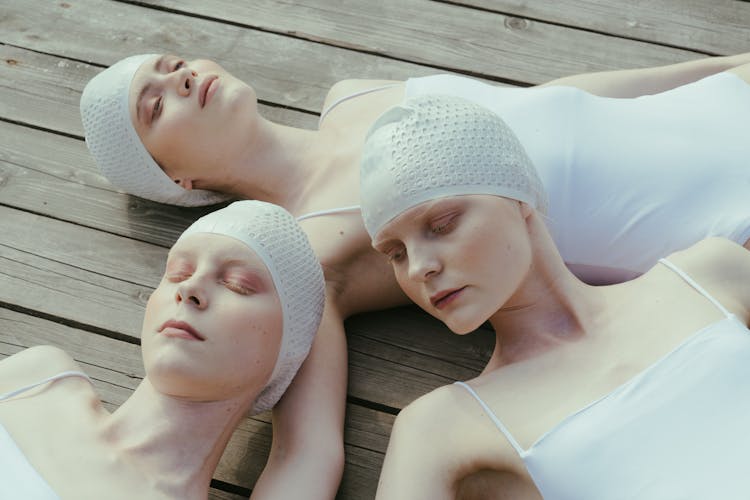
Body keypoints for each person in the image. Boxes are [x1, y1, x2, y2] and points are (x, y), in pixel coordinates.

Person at [79, 52, 750, 495]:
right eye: (154, 105)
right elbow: (307, 454)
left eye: (169, 67)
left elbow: (559, 100)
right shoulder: (300, 259)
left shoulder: (354, 98)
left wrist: (726, 67)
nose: (181, 80)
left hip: (712, 111)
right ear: (177, 180)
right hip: (721, 214)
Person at [358, 94, 750, 499]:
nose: (419, 267)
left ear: (519, 197)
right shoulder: (441, 426)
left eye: (441, 225)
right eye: (396, 254)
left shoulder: (708, 273)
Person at [0, 200, 324, 499]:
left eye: (237, 284)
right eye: (177, 273)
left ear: (289, 347)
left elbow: (310, 451)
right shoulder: (36, 380)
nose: (189, 288)